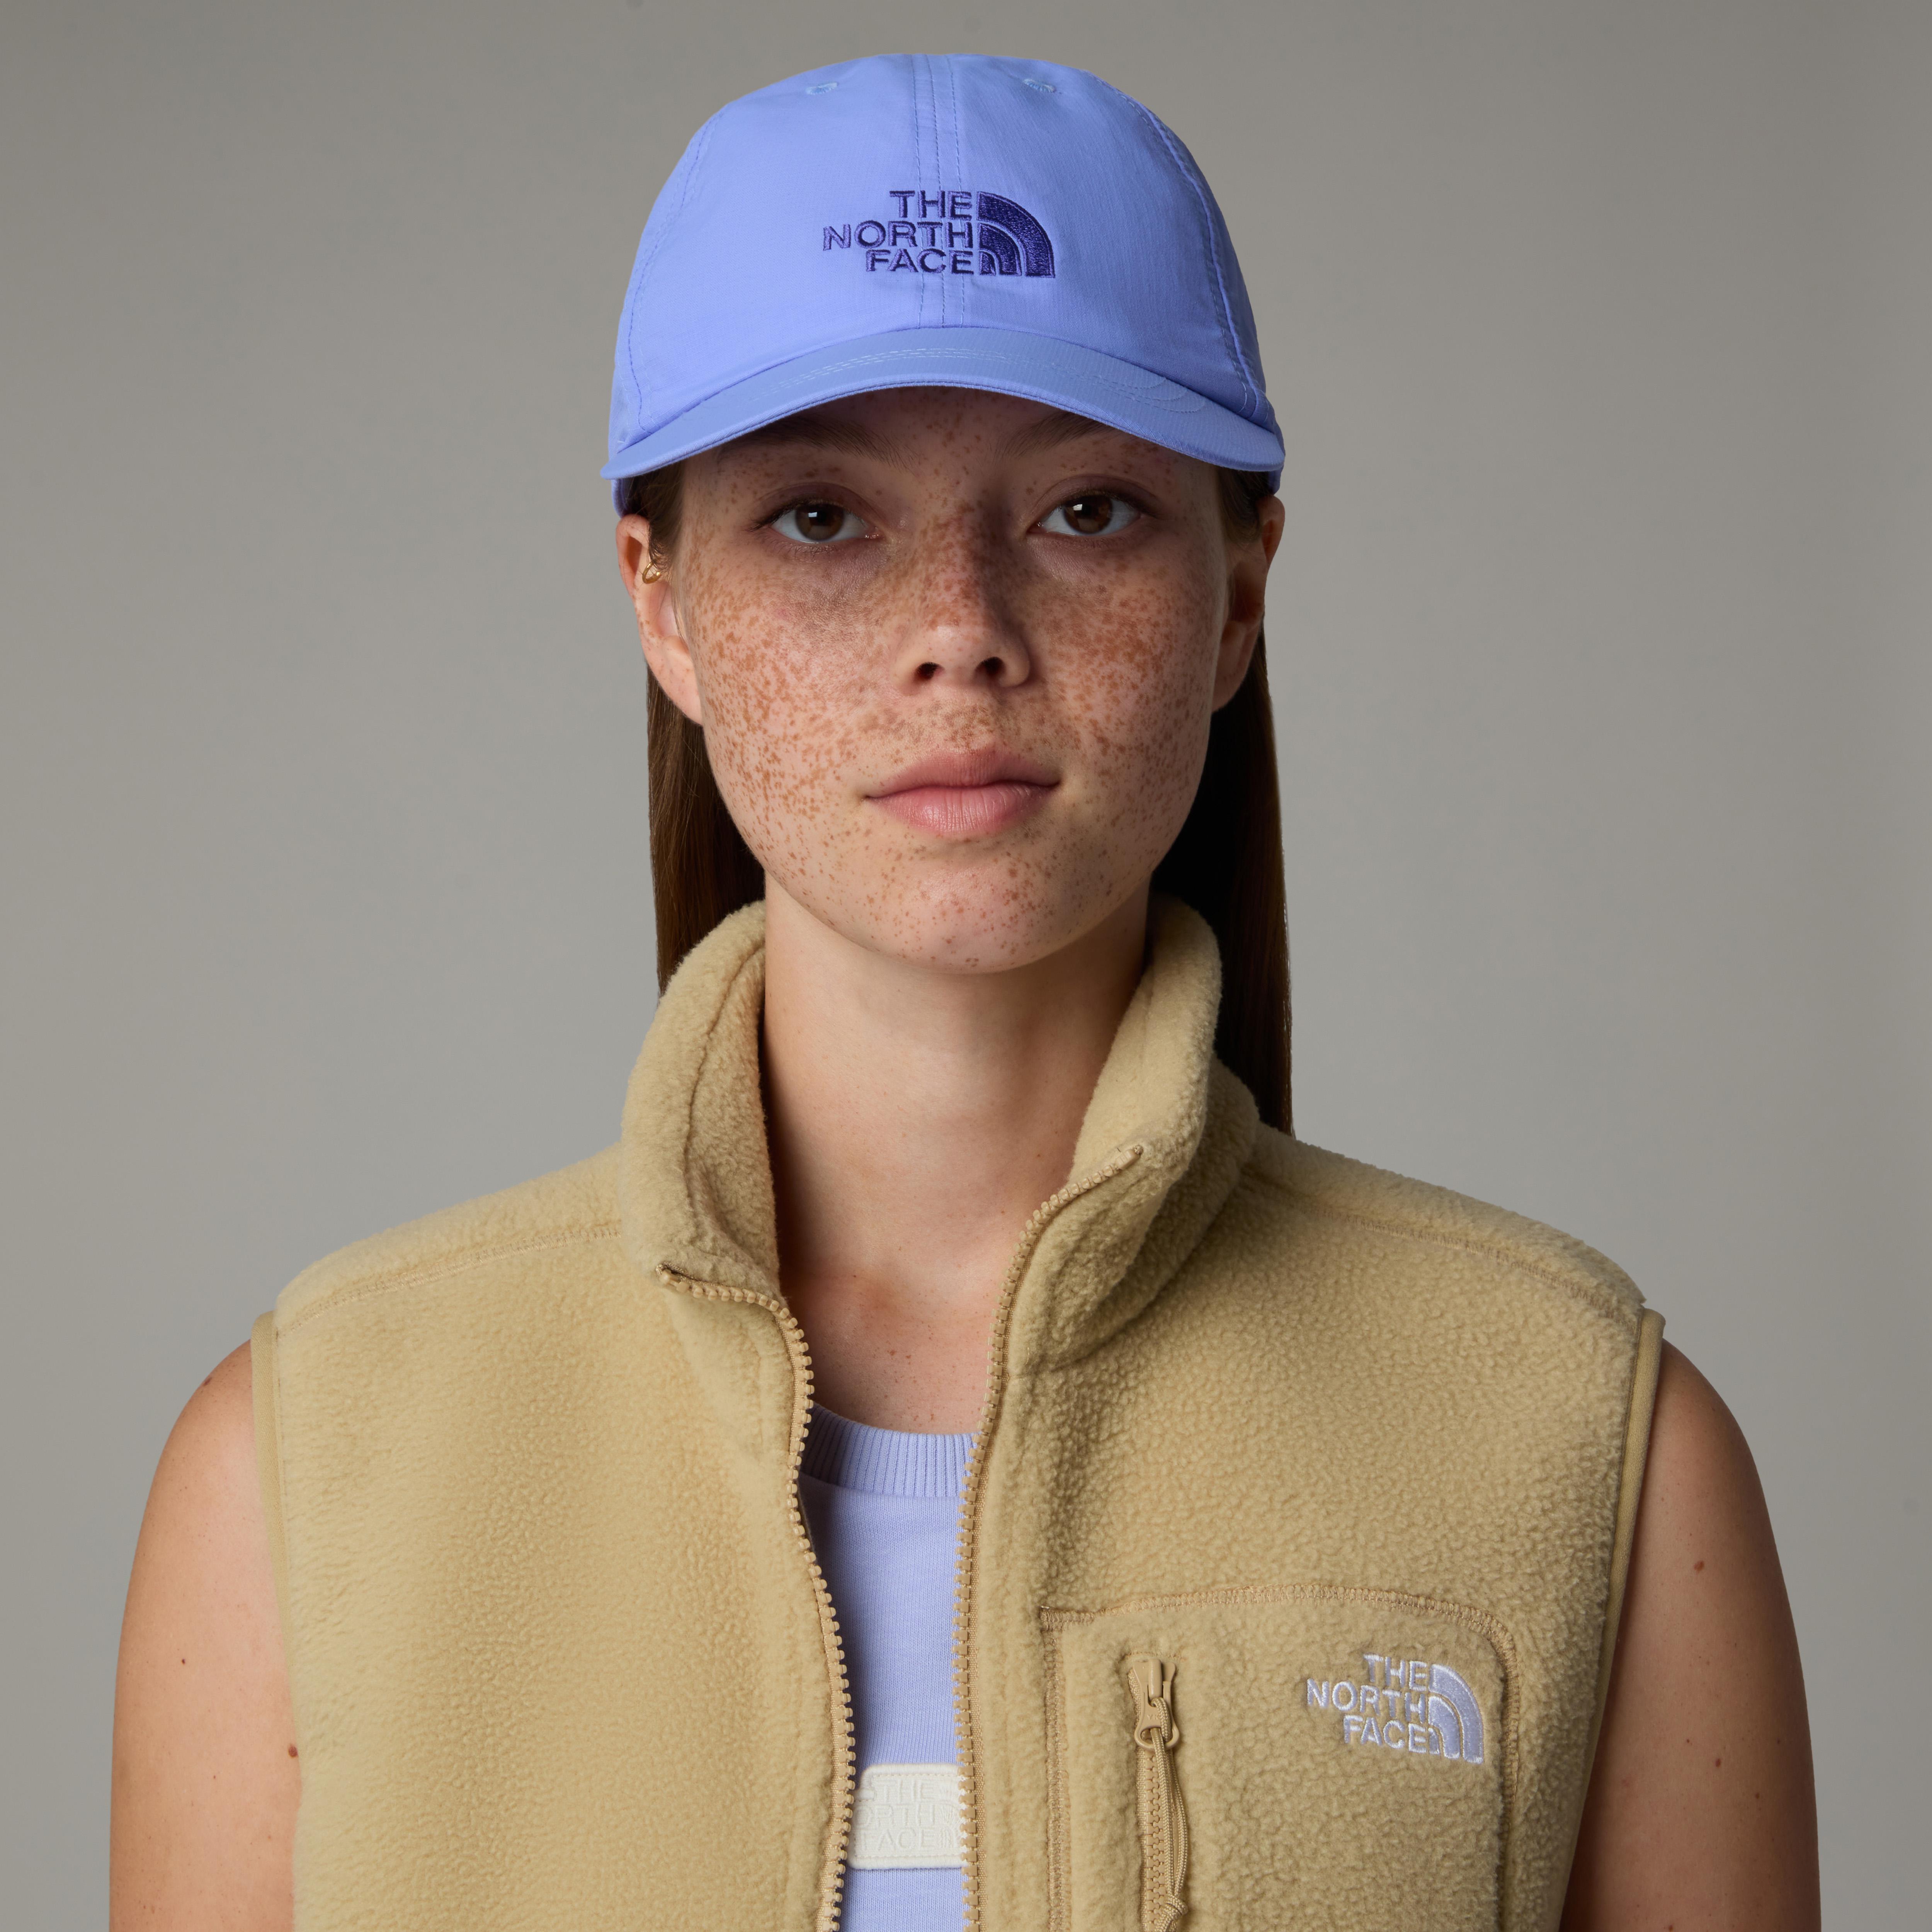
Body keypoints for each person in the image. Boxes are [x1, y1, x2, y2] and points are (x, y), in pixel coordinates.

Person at [109, 53, 1818, 1932]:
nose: (960, 630)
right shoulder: (304, 1468)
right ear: (661, 604)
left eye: (1084, 509)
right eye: (818, 518)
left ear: (1238, 592)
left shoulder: (1589, 1447)